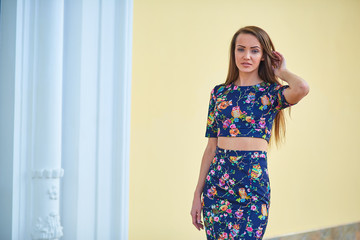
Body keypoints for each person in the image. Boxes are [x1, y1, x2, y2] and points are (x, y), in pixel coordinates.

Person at [190, 26, 310, 240]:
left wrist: (281, 72)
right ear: (233, 52)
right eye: (241, 49)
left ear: (264, 56)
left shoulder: (271, 93)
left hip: (252, 186)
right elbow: (210, 148)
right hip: (217, 185)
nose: (246, 56)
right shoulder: (219, 93)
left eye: (254, 50)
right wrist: (196, 194)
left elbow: (302, 87)